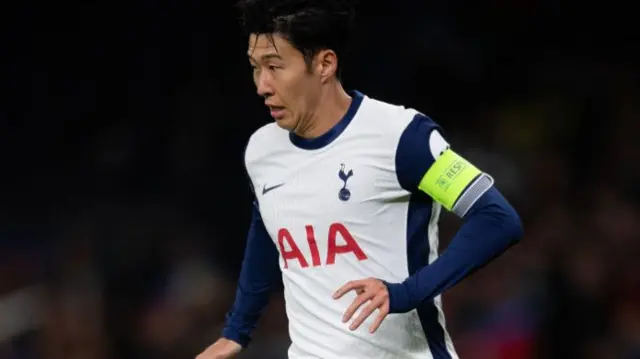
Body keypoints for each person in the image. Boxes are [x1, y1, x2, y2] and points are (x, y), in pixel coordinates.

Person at [197, 0, 523, 358]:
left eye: (274, 66)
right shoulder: (262, 151)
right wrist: (236, 332)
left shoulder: (403, 137)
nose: (262, 85)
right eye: (255, 67)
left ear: (324, 63)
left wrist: (405, 293)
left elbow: (497, 219)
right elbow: (267, 230)